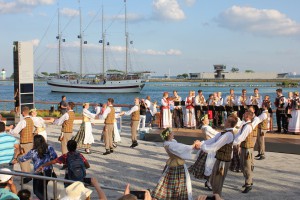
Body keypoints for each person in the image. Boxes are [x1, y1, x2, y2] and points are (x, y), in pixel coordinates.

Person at [152, 128, 200, 200]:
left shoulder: (171, 142)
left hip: (174, 163)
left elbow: (181, 147)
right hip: (177, 165)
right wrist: (193, 146)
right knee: (177, 183)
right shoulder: (170, 144)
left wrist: (192, 147)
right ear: (168, 135)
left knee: (168, 181)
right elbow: (182, 148)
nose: (173, 133)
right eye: (172, 133)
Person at [198, 115, 238, 196]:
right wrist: (201, 143)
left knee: (218, 182)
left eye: (226, 120)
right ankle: (215, 195)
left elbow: (215, 146)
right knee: (213, 180)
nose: (225, 121)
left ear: (229, 124)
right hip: (219, 158)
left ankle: (217, 196)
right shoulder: (223, 133)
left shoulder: (228, 135)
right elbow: (213, 140)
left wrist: (201, 146)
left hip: (223, 161)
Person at [14, 135, 57, 200]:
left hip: (38, 173)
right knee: (43, 188)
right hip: (48, 171)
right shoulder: (49, 148)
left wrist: (16, 159)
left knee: (37, 191)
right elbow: (55, 157)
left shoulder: (33, 151)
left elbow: (24, 158)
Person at [189, 115, 218, 191]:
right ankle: (209, 182)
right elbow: (216, 134)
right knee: (210, 166)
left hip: (208, 147)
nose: (208, 120)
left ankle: (209, 182)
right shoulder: (207, 128)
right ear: (203, 121)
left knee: (208, 166)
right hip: (210, 149)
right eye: (207, 119)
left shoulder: (203, 127)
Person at [10, 106, 34, 183]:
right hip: (31, 141)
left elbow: (15, 132)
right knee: (28, 159)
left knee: (22, 159)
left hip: (24, 142)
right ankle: (29, 174)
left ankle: (26, 175)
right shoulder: (31, 120)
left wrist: (10, 129)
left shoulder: (23, 121)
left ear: (23, 112)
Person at [233, 111, 255, 193]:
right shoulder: (245, 124)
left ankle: (249, 183)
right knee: (243, 165)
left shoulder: (248, 126)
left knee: (247, 165)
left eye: (244, 114)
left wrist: (233, 143)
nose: (243, 115)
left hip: (247, 148)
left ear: (247, 117)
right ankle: (248, 181)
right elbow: (239, 135)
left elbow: (241, 137)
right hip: (244, 147)